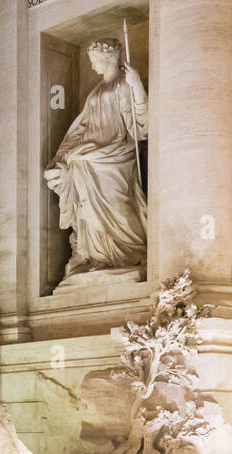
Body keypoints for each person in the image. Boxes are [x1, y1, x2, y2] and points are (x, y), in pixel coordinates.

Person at [44, 38, 149, 276]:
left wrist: (138, 86)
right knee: (79, 179)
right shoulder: (96, 91)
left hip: (116, 152)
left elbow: (141, 125)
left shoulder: (124, 85)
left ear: (108, 59)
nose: (92, 67)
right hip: (90, 153)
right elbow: (81, 127)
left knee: (118, 204)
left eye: (95, 61)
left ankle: (130, 252)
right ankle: (97, 254)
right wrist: (62, 156)